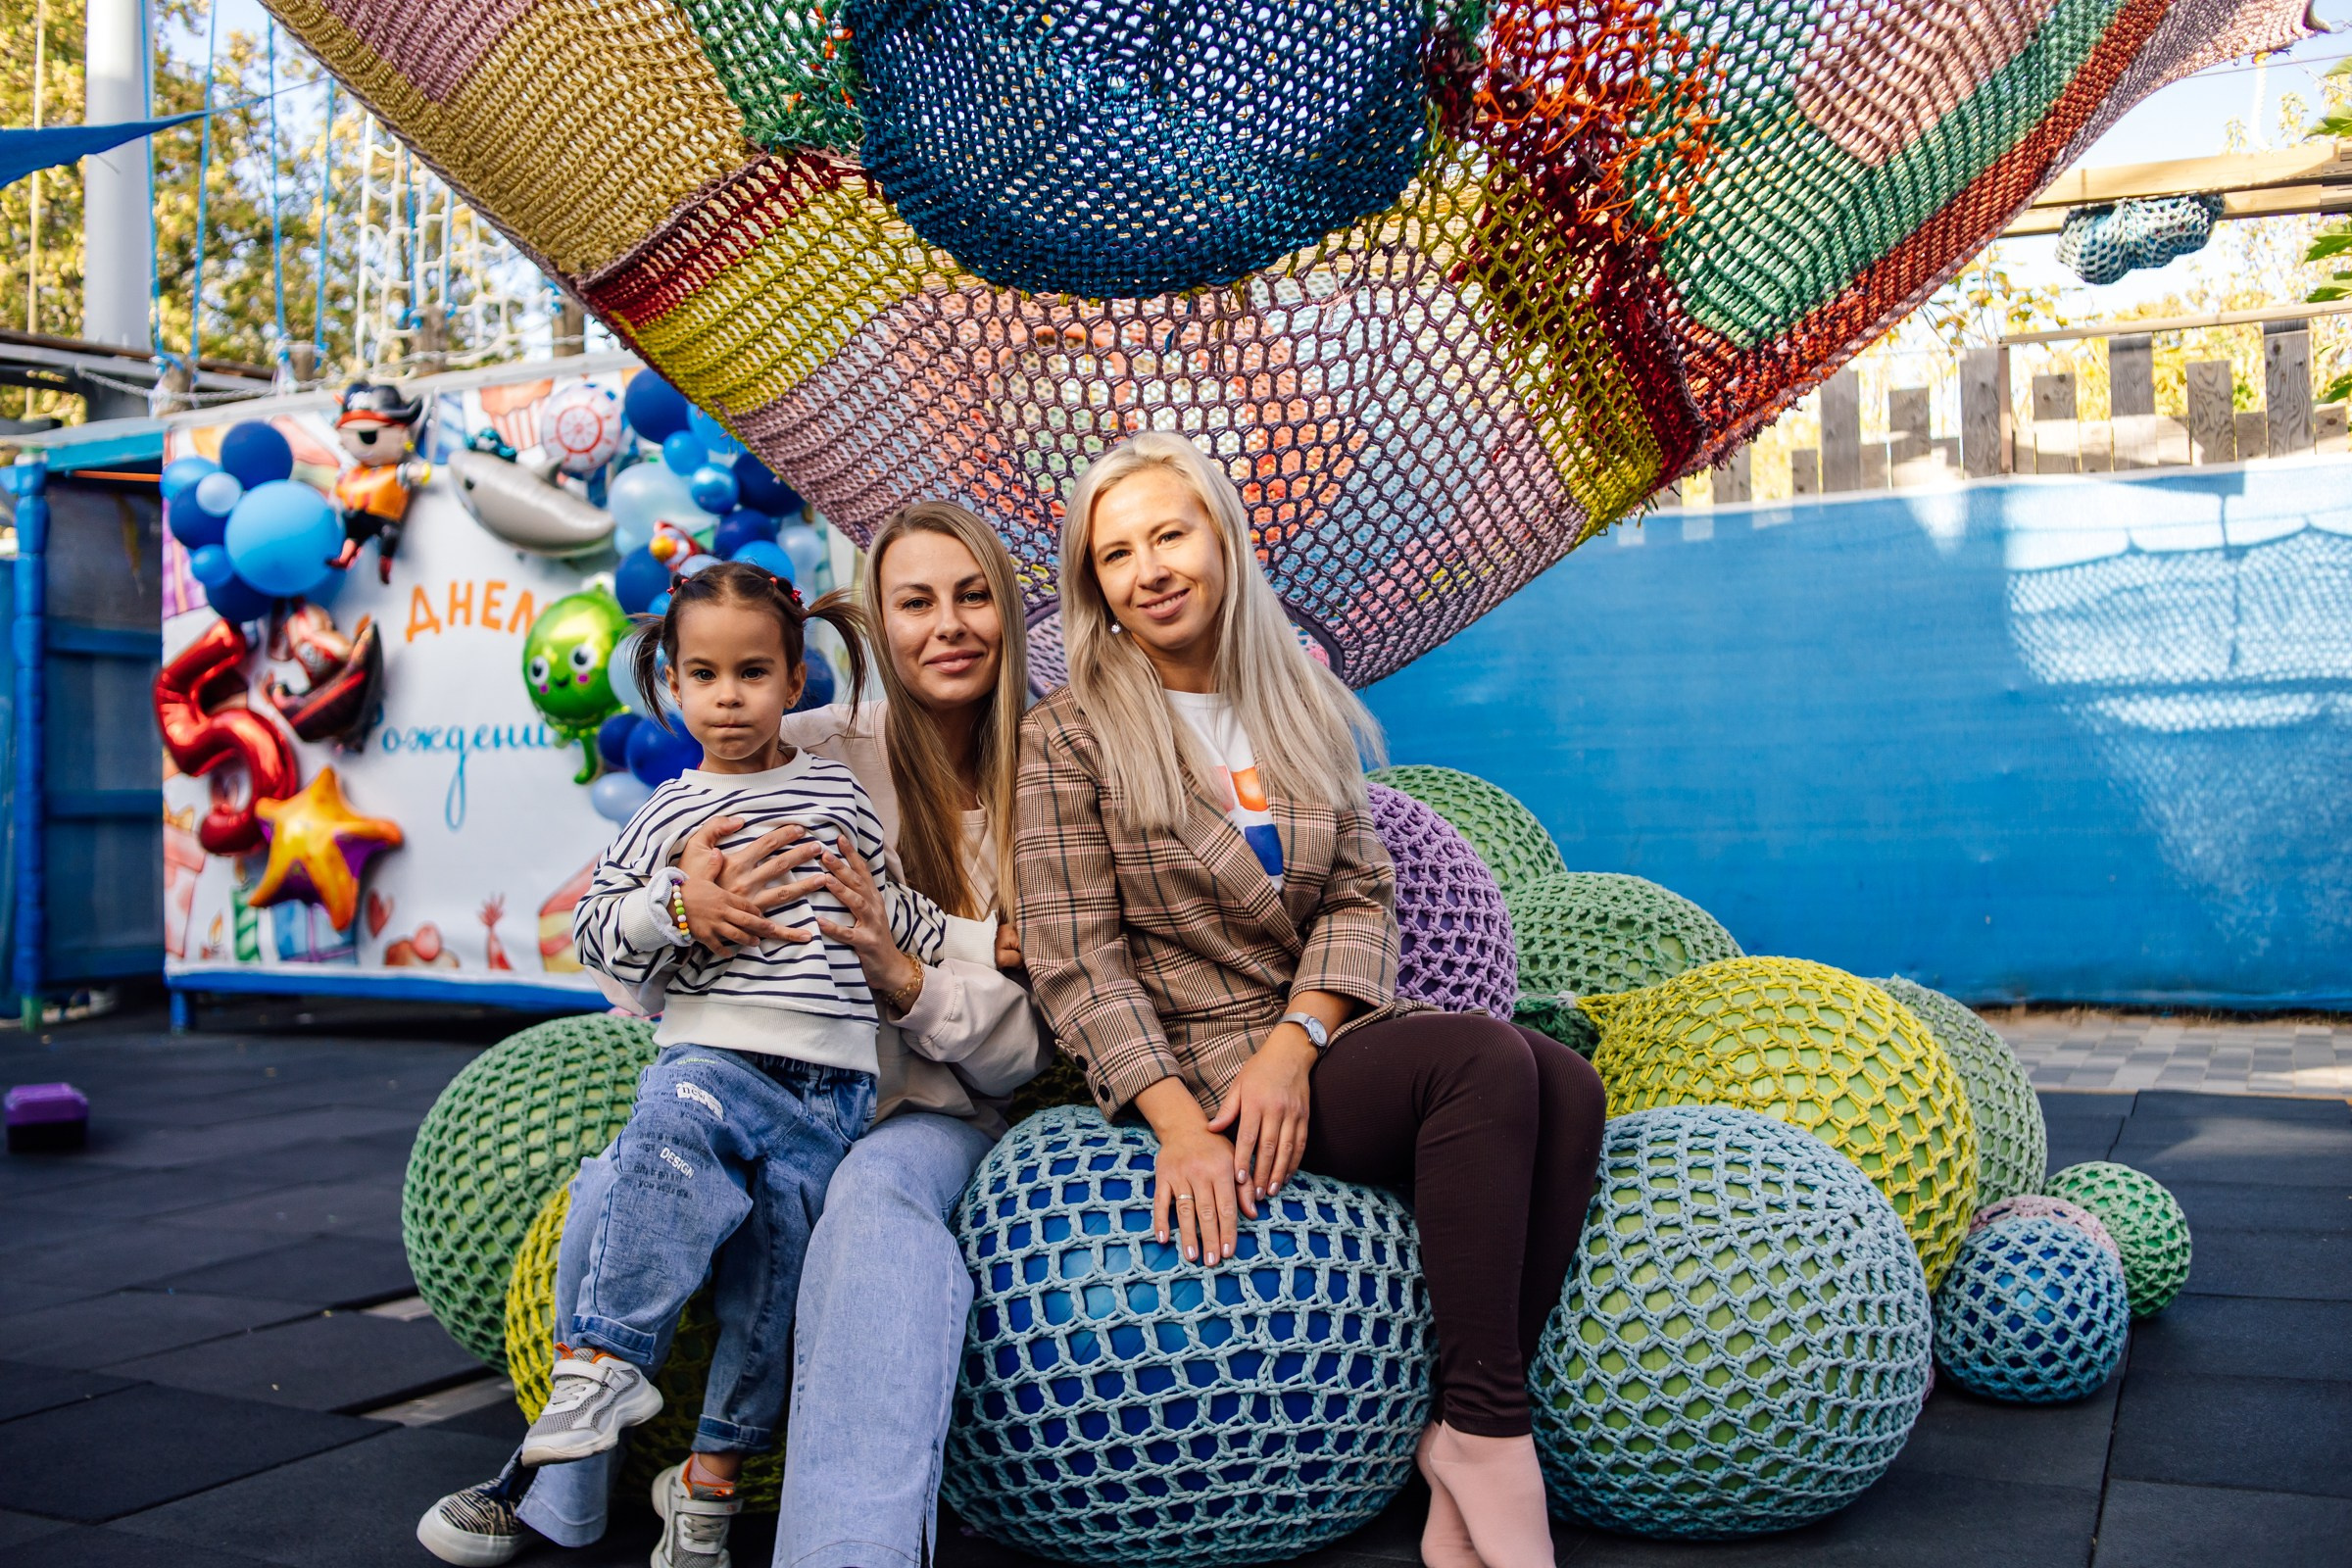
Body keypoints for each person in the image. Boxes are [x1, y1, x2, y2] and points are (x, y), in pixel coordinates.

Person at [1015, 432, 1607, 1568]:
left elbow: (1359, 890)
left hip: (1309, 1045)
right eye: (1118, 553)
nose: (1150, 568)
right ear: (1095, 587)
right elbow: (1077, 957)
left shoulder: (1290, 701)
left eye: (1171, 534)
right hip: (1198, 1071)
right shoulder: (1070, 736)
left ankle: (1468, 1429)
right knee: (1485, 1060)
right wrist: (1179, 1125)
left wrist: (1298, 1037)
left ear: (1225, 543)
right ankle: (1489, 1431)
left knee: (1567, 1082)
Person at [418, 505, 1049, 1568]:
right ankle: (550, 1494)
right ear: (873, 628)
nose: (947, 625)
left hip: (917, 1099)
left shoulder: (1048, 783)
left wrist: (908, 979)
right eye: (914, 600)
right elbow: (628, 945)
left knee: (865, 1214)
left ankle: (842, 1541)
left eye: (973, 594)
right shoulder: (801, 745)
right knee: (616, 1185)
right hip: (758, 1067)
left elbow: (1015, 1049)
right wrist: (683, 905)